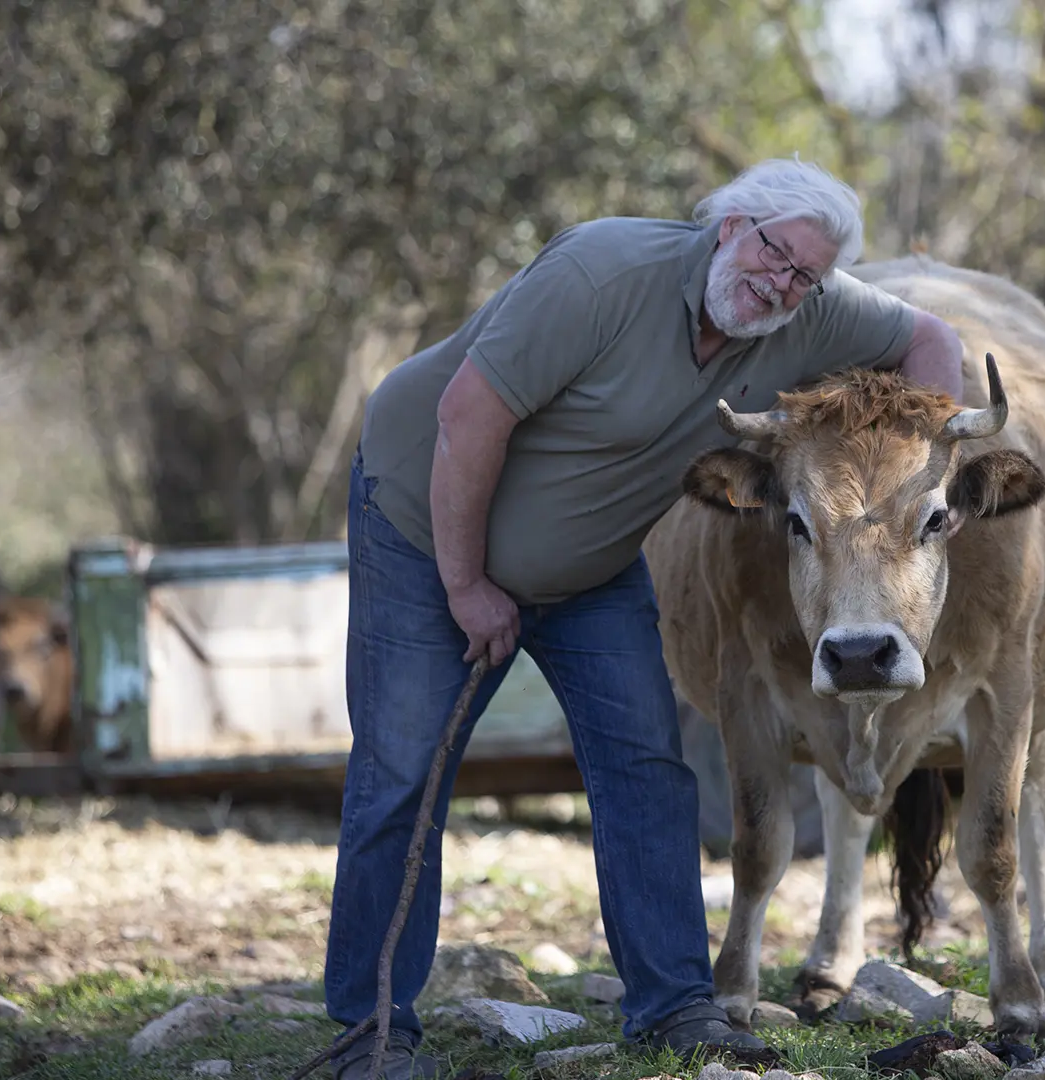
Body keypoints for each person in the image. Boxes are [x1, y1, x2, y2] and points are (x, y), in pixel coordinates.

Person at [321, 156, 966, 1079]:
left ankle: (674, 1008)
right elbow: (467, 418)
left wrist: (922, 466)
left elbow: (931, 337)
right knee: (401, 772)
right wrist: (465, 586)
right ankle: (373, 1031)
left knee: (647, 771)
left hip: (589, 569)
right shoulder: (601, 274)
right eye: (774, 254)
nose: (781, 284)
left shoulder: (813, 307)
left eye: (805, 275)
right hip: (425, 529)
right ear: (731, 225)